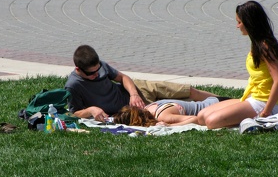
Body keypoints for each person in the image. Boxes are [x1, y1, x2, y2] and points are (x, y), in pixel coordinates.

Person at [64, 45, 217, 121]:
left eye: (98, 70)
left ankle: (231, 100)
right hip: (131, 110)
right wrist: (91, 110)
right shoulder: (73, 85)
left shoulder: (100, 66)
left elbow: (123, 78)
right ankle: (227, 109)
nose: (97, 74)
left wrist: (134, 94)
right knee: (186, 106)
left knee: (188, 91)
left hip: (138, 90)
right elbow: (74, 112)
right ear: (78, 69)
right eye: (91, 73)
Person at [197, 0, 278, 129]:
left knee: (211, 122)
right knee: (201, 117)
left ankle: (249, 120)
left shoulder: (265, 46)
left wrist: (266, 112)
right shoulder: (257, 43)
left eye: (239, 22)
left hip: (264, 103)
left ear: (249, 23)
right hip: (253, 98)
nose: (237, 26)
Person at [113, 93, 278, 127]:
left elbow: (195, 119)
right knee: (270, 106)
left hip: (213, 106)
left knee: (270, 109)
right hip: (213, 101)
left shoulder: (162, 115)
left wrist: (170, 125)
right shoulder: (151, 105)